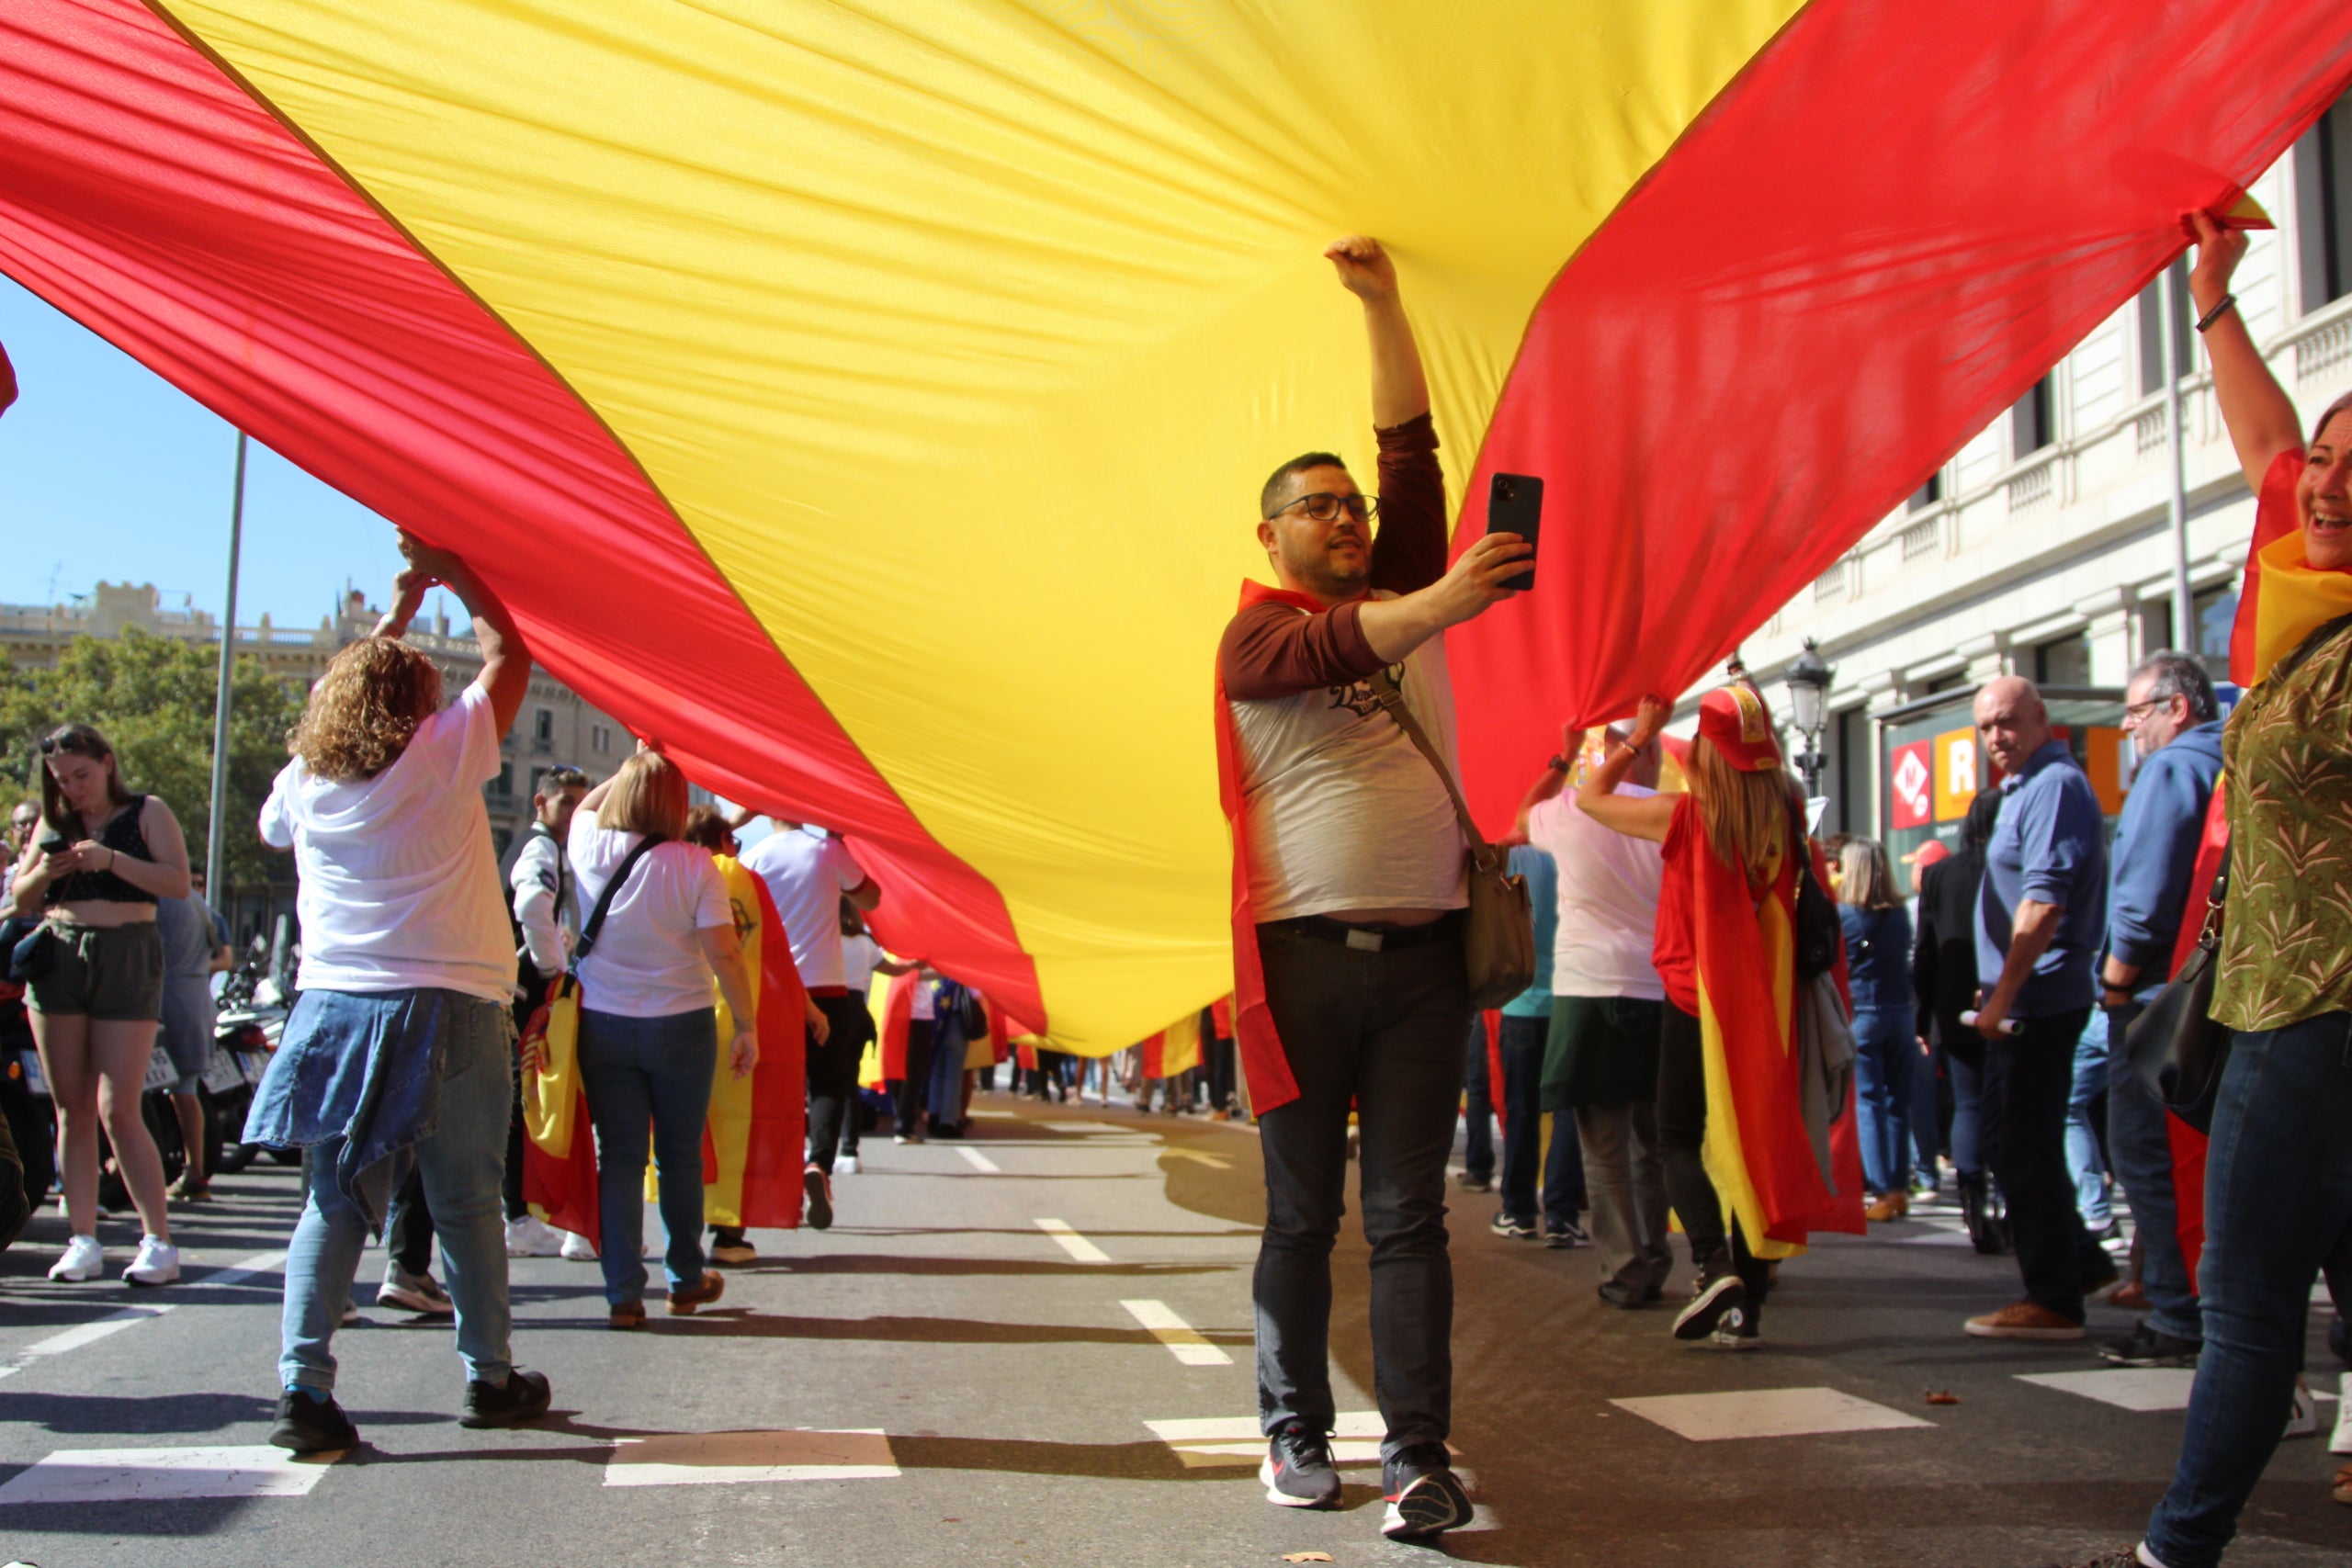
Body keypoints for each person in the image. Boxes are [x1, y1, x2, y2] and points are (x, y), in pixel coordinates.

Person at [1215, 235, 1527, 1540]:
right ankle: (1295, 1431)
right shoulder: (1256, 630)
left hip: (1420, 964)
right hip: (1298, 966)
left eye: (1351, 505)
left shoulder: (1400, 578)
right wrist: (1449, 593)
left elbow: (1412, 447)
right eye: (1317, 506)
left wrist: (1383, 302)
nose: (1346, 517)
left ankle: (1416, 1456)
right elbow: (1352, 636)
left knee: (1410, 1216)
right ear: (1273, 531)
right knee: (1302, 1212)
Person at [2068, 213, 2352, 1568]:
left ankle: (2177, 1548)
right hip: (2274, 1001)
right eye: (2330, 460)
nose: (2323, 482)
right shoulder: (2301, 588)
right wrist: (2214, 300)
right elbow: (2265, 444)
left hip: (2313, 1008)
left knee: (2245, 1312)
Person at [245, 534, 550, 1453]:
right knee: (464, 1194)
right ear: (421, 703)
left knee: (335, 1200)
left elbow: (332, 707)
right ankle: (489, 1377)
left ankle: (303, 1384)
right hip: (450, 1000)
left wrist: (397, 615)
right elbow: (511, 654)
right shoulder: (445, 750)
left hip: (334, 1007)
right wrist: (455, 571)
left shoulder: (303, 785)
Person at [1580, 686, 1853, 1348]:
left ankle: (1715, 1264)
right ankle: (1747, 1308)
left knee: (1678, 1135)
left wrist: (1642, 735)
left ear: (1703, 753)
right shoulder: (1791, 826)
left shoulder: (1685, 817)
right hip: (1769, 1012)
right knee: (1757, 1149)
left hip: (1691, 1001)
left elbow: (1589, 798)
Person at [554, 750, 756, 1328]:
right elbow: (724, 952)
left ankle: (622, 1291)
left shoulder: (587, 844)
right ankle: (685, 1279)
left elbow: (590, 806)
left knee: (616, 1157)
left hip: (604, 1023)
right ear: (675, 804)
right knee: (678, 1157)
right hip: (682, 1024)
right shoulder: (696, 865)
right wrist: (746, 1025)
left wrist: (636, 760)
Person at [9, 723, 189, 1286]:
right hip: (59, 956)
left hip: (127, 953)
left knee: (119, 1105)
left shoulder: (146, 811)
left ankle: (157, 1239)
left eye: (82, 776)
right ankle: (82, 1238)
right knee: (71, 1105)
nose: (73, 789)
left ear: (107, 764)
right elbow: (18, 898)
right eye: (62, 781)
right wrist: (47, 869)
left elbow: (177, 883)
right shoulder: (55, 819)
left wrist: (109, 860)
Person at [1964, 675, 2115, 1340]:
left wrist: (2002, 994)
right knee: (2010, 1138)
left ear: (2041, 716)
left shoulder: (2053, 786)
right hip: (2025, 997)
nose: (1998, 736)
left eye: (2008, 721)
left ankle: (2055, 1296)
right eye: (1987, 727)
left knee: (2020, 1142)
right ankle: (2079, 1262)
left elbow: (2044, 901)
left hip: (2040, 999)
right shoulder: (2027, 787)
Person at [2086, 650, 2225, 1369]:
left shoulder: (2171, 769)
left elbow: (2142, 895)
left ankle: (2179, 1315)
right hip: (2216, 989)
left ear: (2178, 707)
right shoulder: (2228, 762)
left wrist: (2114, 979)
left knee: (2148, 1156)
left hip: (2157, 996)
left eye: (2137, 711)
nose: (2128, 726)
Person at [1523, 724, 1671, 1305]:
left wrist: (1561, 754)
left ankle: (1624, 1270)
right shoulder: (1670, 812)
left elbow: (1523, 811)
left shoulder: (1569, 810)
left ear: (1604, 754)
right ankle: (1656, 1258)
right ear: (1652, 753)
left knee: (1603, 1147)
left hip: (1588, 988)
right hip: (1655, 985)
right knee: (1651, 1145)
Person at [735, 817, 871, 1227]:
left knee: (778, 1089)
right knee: (828, 1084)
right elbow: (872, 899)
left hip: (774, 988)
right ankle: (820, 1165)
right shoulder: (827, 852)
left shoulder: (754, 857)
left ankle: (778, 1180)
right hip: (828, 987)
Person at [1917, 790, 2005, 1250]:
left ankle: (1972, 1198)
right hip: (2005, 996)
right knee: (2009, 1104)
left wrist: (1923, 1015)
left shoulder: (1938, 875)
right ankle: (2007, 1203)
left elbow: (1926, 950)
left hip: (1953, 1003)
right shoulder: (2009, 865)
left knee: (1968, 1101)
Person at [505, 763, 587, 1258]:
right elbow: (532, 903)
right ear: (541, 802)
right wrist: (550, 966)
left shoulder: (547, 849)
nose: (575, 813)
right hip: (521, 994)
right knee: (522, 1104)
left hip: (517, 989)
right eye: (567, 803)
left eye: (581, 803)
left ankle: (516, 1211)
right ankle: (515, 1214)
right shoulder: (538, 849)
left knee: (522, 1103)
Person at [1837, 837, 1917, 1221]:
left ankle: (1882, 1191)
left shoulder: (1845, 916)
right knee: (1897, 1103)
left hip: (1863, 1013)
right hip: (1901, 1012)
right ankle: (1900, 1187)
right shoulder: (1900, 915)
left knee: (1867, 1102)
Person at [156, 871, 232, 1202]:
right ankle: (194, 1171)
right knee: (186, 1090)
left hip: (167, 999)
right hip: (197, 998)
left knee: (178, 1091)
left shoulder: (157, 895)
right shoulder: (197, 901)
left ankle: (191, 1172)